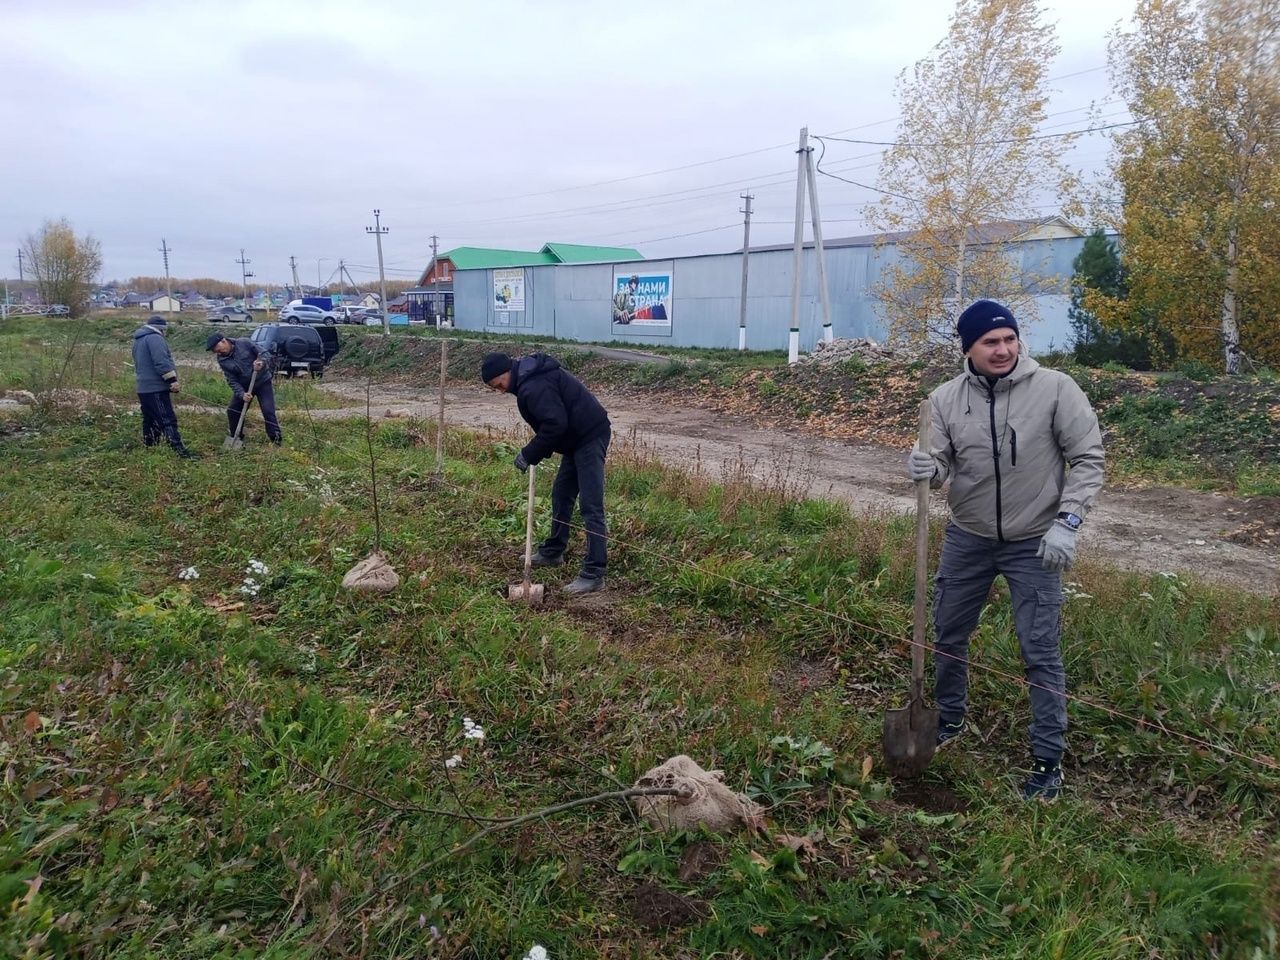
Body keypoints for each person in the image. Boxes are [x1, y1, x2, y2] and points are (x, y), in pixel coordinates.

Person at [907, 299, 1104, 800]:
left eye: (1009, 339)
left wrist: (1068, 521)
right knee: (948, 634)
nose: (1003, 349)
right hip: (967, 538)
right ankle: (949, 719)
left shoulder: (1057, 390)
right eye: (990, 342)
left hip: (1035, 542)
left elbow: (1087, 458)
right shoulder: (945, 399)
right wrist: (930, 468)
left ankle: (1047, 760)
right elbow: (945, 460)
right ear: (968, 348)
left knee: (1039, 650)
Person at [481, 351, 611, 595]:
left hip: (590, 435)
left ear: (505, 373)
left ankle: (594, 573)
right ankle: (553, 552)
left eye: (497, 385)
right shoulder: (527, 380)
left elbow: (554, 425)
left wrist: (529, 453)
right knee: (561, 494)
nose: (499, 390)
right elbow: (555, 424)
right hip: (575, 438)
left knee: (591, 506)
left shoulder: (533, 386)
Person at [131, 315, 195, 458]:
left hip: (143, 388)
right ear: (161, 329)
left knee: (150, 419)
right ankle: (179, 452)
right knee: (167, 419)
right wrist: (172, 380)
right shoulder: (155, 338)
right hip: (156, 388)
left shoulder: (138, 340)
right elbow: (161, 361)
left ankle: (150, 448)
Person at [206, 333, 281, 445]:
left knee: (268, 411)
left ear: (224, 341)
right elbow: (232, 380)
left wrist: (262, 363)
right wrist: (242, 394)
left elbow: (265, 354)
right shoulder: (222, 360)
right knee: (233, 411)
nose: (219, 353)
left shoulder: (244, 343)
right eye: (216, 352)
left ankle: (276, 440)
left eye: (219, 350)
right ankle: (237, 439)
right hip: (245, 386)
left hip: (262, 382)